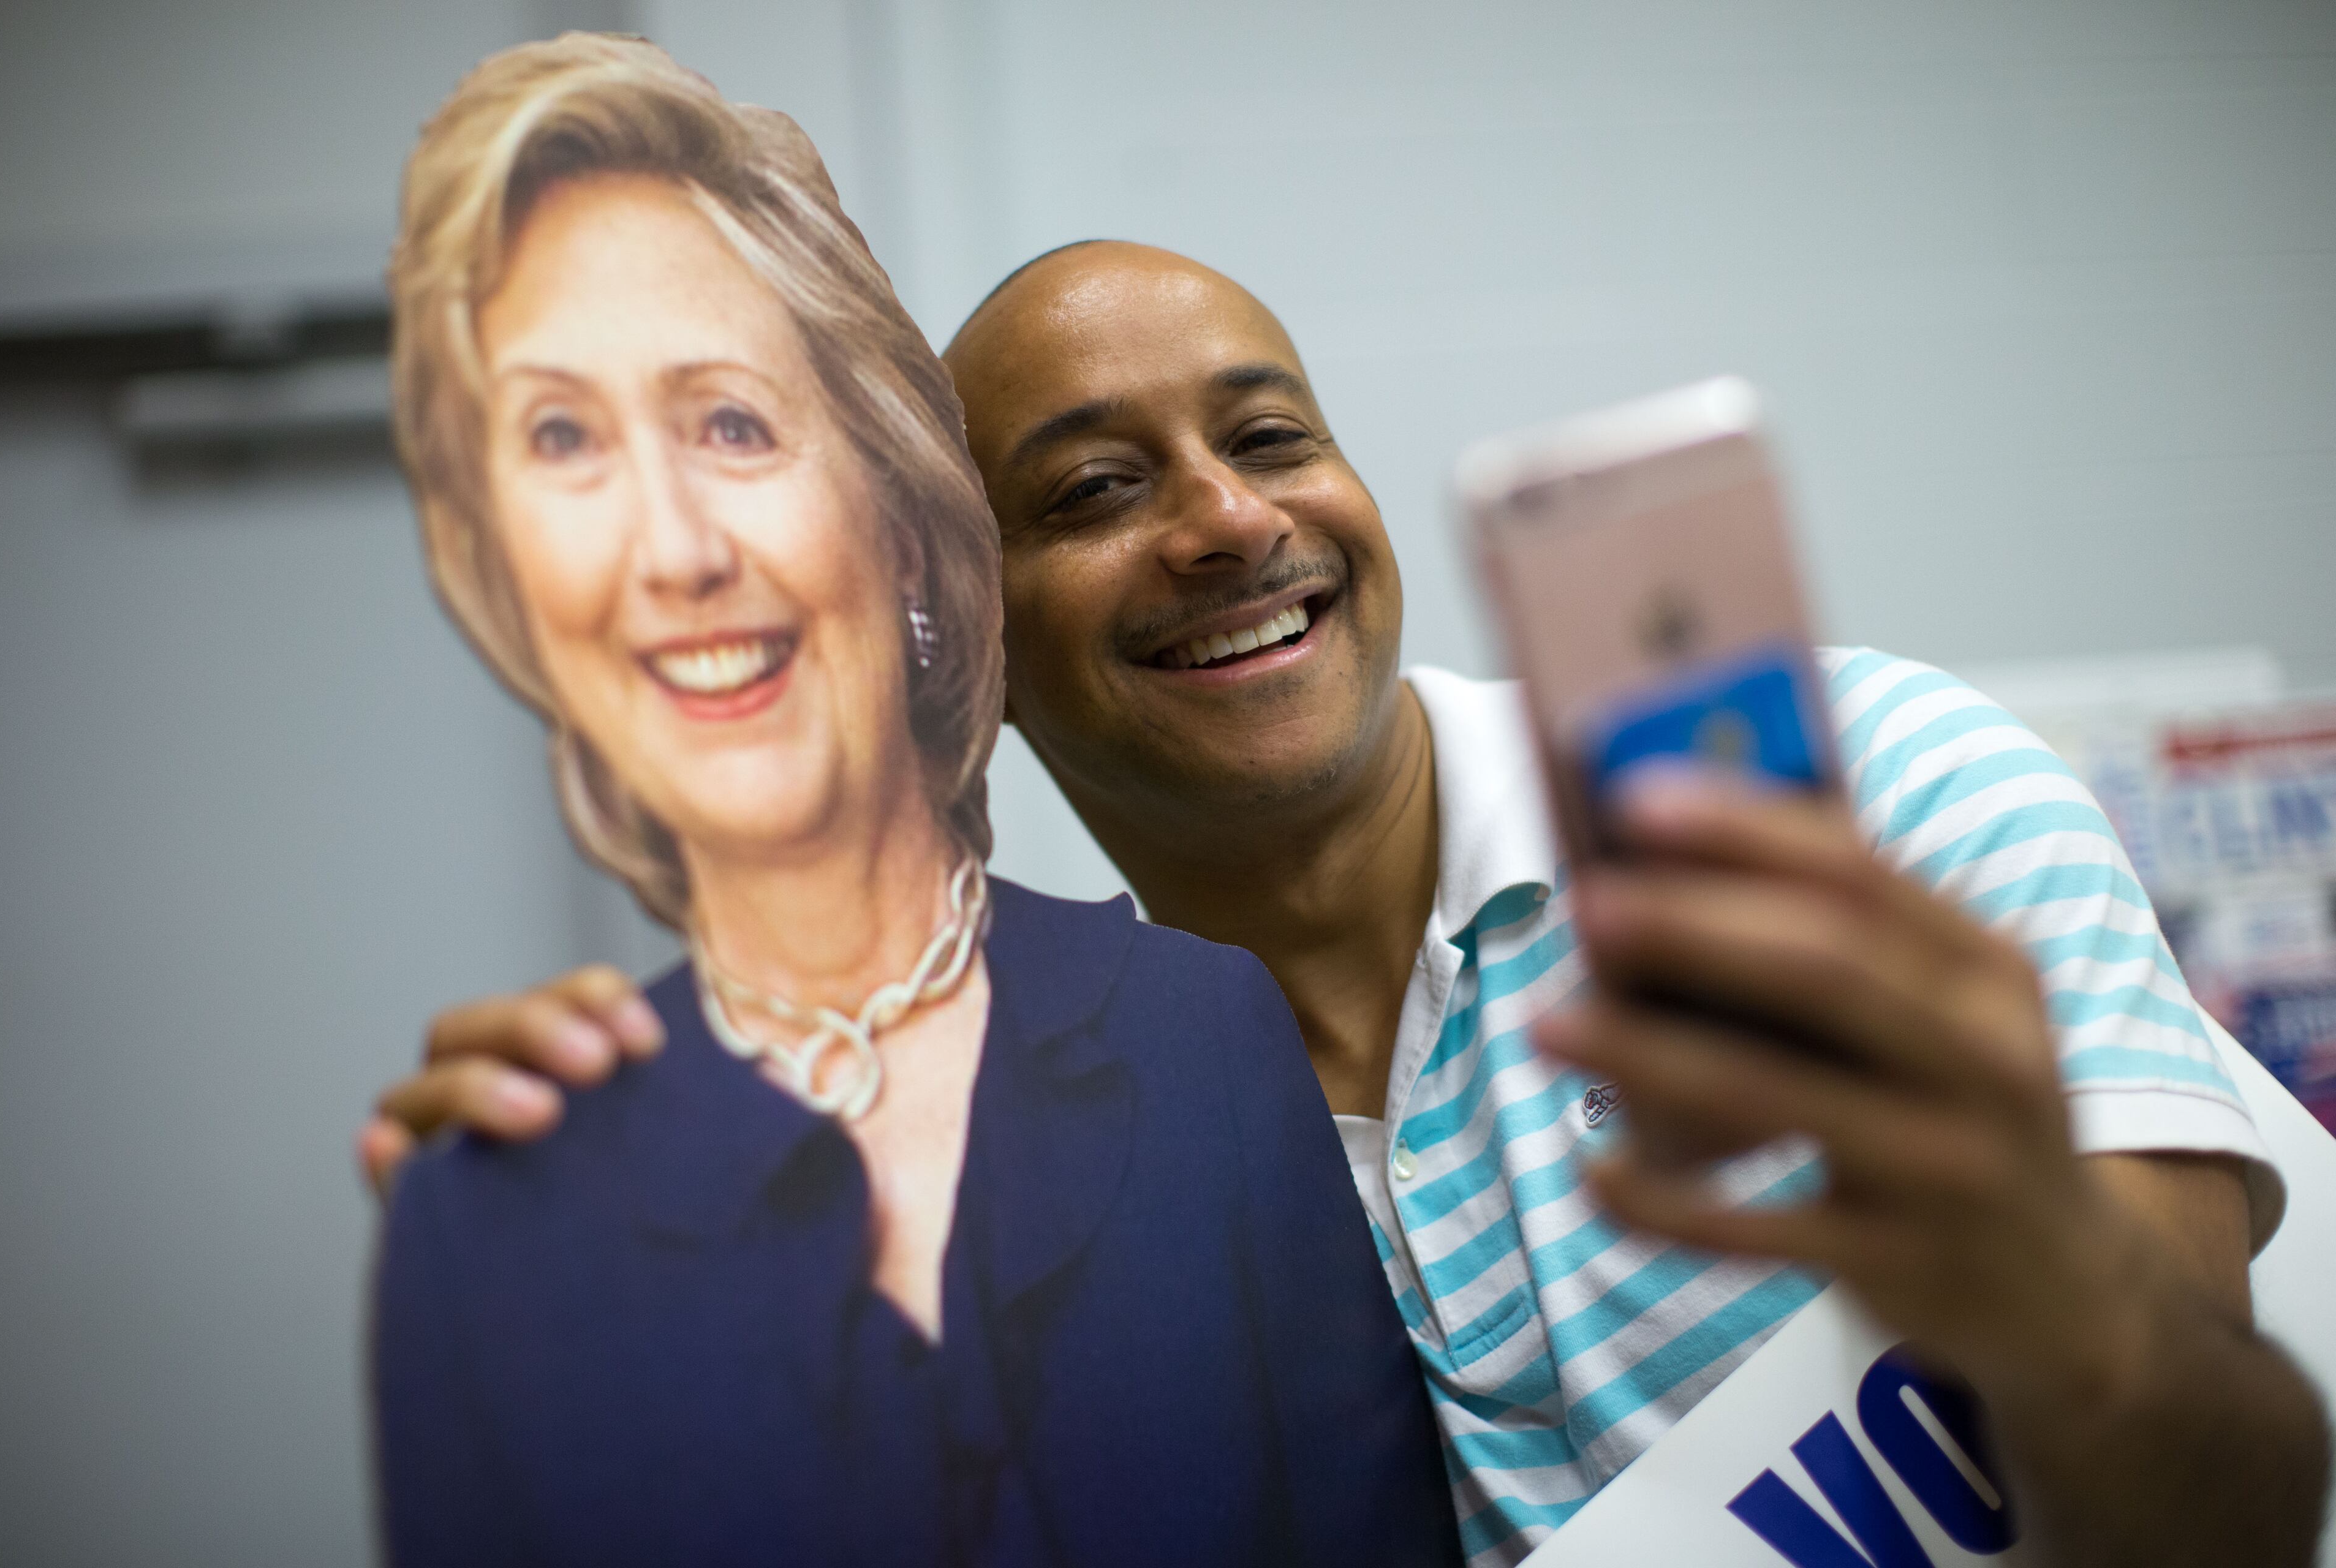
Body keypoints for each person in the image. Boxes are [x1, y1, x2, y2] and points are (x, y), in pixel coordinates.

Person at [371, 234, 2333, 1567]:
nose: (1229, 522)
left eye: (1270, 435)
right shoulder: (1055, 1164)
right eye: (1088, 491)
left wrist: (2048, 1295)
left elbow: (2243, 1509)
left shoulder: (1870, 806)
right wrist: (580, 1240)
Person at [370, 40, 1459, 1568]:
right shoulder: (486, 1213)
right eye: (565, 449)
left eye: (732, 425)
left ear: (895, 515)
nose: (672, 545)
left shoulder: (1205, 1038)